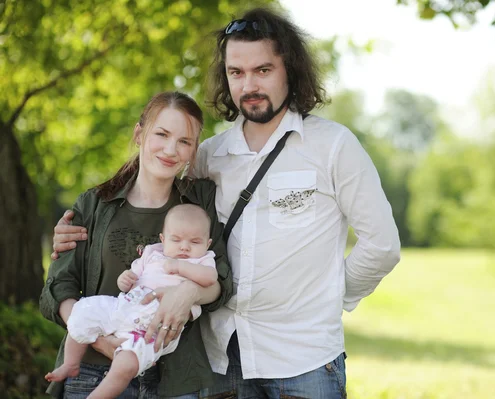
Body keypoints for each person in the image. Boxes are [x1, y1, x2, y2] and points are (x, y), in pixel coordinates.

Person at [52, 7, 401, 399]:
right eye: (237, 72)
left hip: (304, 360)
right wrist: (76, 235)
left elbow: (382, 245)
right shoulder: (209, 157)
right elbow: (164, 222)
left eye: (263, 70)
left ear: (291, 70)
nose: (249, 84)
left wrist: (332, 298)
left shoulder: (333, 146)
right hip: (221, 362)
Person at [40, 91, 232, 398]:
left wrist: (188, 293)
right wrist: (98, 338)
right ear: (139, 134)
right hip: (92, 372)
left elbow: (222, 281)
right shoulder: (93, 204)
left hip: (174, 379)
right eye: (162, 134)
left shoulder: (199, 202)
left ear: (194, 149)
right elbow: (59, 285)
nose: (171, 149)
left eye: (185, 141)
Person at [45, 203, 218, 399]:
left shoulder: (203, 261)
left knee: (126, 363)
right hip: (124, 306)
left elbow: (210, 278)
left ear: (207, 243)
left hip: (152, 327)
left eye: (195, 242)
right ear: (163, 239)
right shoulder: (153, 252)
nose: (184, 247)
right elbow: (133, 274)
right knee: (84, 311)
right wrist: (125, 279)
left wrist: (180, 266)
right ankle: (71, 363)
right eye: (176, 239)